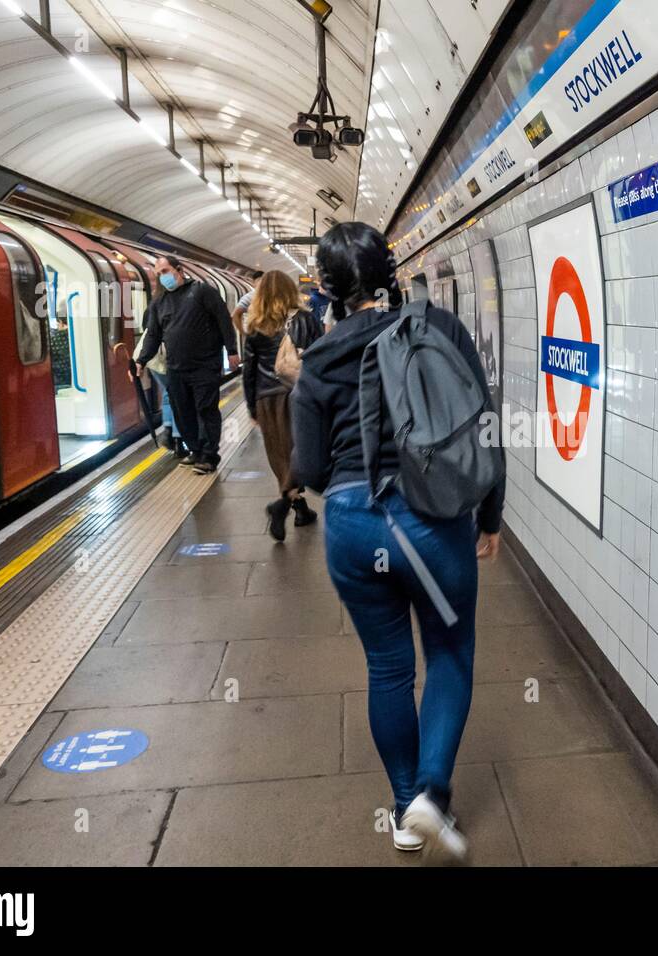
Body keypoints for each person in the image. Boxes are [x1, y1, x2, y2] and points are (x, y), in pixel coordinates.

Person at [290, 222, 504, 861]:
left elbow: (307, 471)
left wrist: (353, 485)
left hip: (355, 528)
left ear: (325, 287)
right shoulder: (436, 326)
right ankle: (431, 796)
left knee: (387, 668)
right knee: (449, 654)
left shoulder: (318, 358)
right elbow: (482, 423)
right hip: (432, 522)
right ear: (391, 269)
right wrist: (489, 516)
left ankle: (405, 811)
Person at [134, 255, 238, 474]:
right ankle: (196, 450)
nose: (162, 277)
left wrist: (232, 351)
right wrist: (141, 360)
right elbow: (153, 335)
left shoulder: (202, 292)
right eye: (158, 273)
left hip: (205, 365)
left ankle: (209, 457)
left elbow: (224, 321)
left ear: (179, 270)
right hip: (175, 367)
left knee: (205, 409)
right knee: (183, 412)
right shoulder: (159, 303)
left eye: (165, 271)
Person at [241, 270, 322, 540]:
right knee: (300, 451)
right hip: (297, 394)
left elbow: (249, 371)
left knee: (280, 455)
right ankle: (291, 506)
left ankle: (290, 506)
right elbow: (319, 358)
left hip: (266, 398)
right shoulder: (306, 319)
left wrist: (252, 406)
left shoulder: (254, 326)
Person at [135, 317, 186, 459]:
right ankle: (178, 441)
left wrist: (141, 360)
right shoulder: (173, 306)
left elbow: (147, 329)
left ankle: (169, 432)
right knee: (177, 397)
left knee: (168, 393)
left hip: (152, 359)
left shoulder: (154, 307)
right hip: (165, 358)